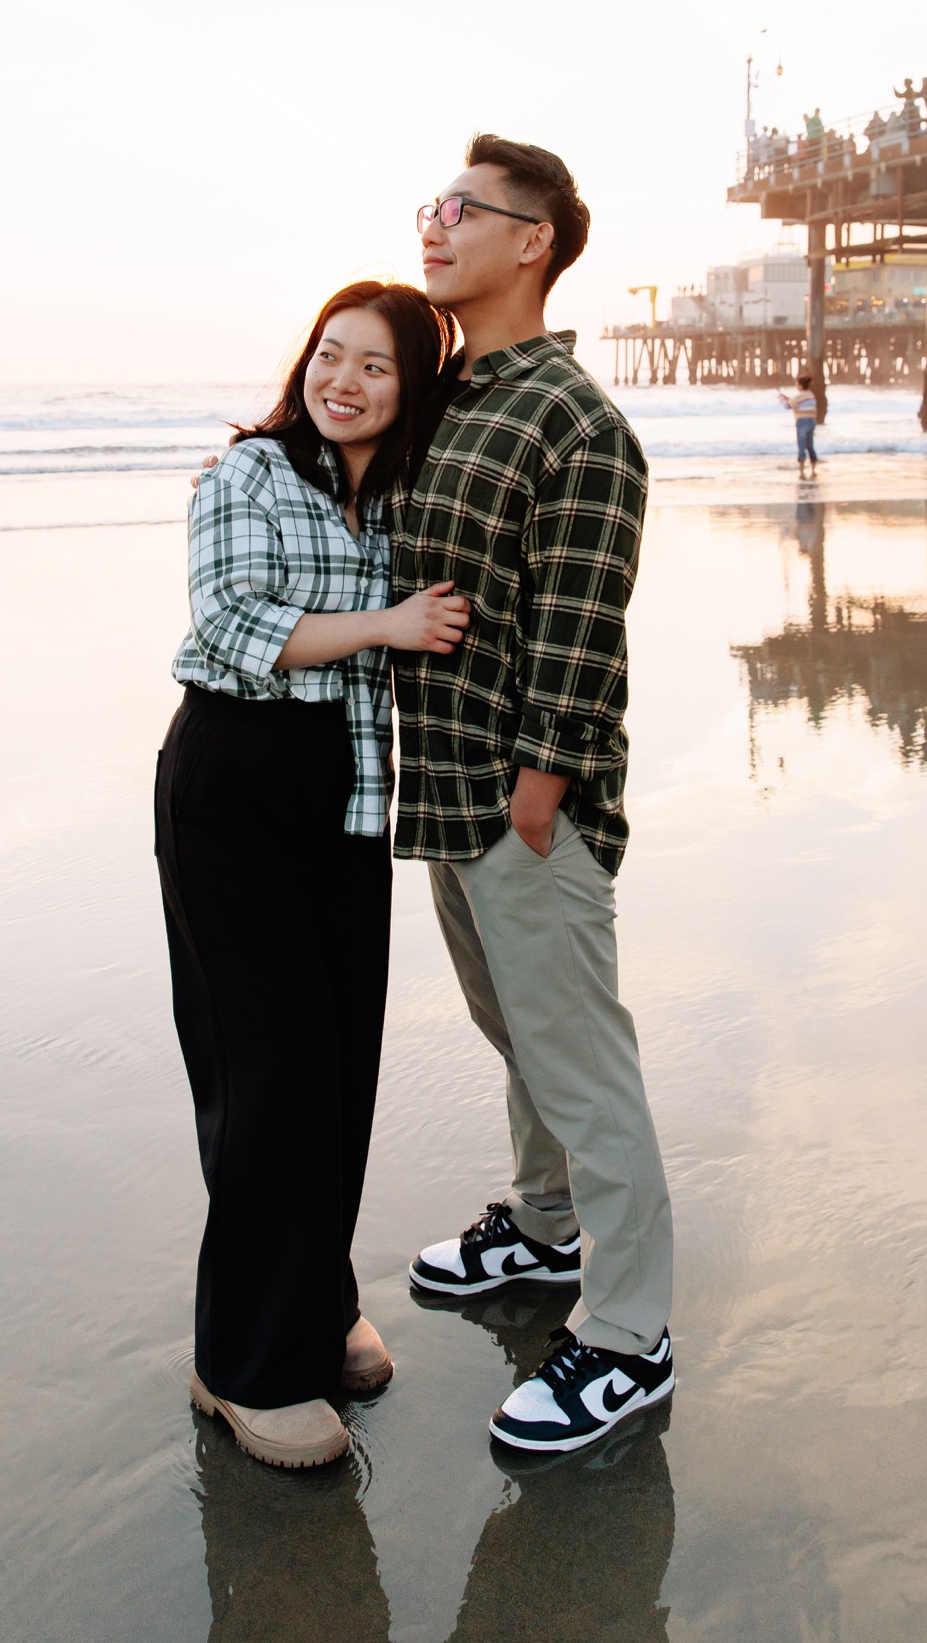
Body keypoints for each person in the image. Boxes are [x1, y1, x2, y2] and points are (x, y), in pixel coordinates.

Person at [156, 280, 467, 1470]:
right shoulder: (249, 474)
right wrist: (387, 625)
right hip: (235, 783)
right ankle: (239, 1367)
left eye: (377, 366)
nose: (345, 380)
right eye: (332, 355)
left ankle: (316, 1302)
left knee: (341, 1063)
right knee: (269, 1075)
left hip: (346, 790)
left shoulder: (391, 497)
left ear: (411, 388)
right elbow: (232, 623)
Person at [397, 135, 675, 1456]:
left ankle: (629, 1333)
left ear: (533, 244)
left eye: (462, 209)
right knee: (519, 1026)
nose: (434, 225)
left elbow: (581, 629)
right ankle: (547, 1225)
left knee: (581, 1055)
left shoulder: (575, 419)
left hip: (526, 804)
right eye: (431, 203)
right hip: (447, 790)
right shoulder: (450, 394)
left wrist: (538, 794)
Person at [780, 372, 820, 474]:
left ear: (800, 385)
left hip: (802, 422)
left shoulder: (799, 396)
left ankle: (801, 469)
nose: (796, 386)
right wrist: (788, 399)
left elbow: (787, 406)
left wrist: (782, 400)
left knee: (801, 445)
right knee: (810, 445)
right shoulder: (810, 395)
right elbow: (797, 403)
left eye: (797, 384)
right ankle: (813, 468)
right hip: (812, 422)